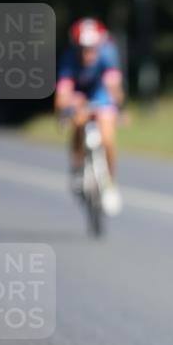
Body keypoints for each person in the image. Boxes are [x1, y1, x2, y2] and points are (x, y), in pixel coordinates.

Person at [55, 18, 125, 215]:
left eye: (93, 48)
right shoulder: (69, 59)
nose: (88, 54)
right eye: (84, 49)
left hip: (100, 94)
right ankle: (77, 168)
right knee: (78, 121)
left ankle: (110, 183)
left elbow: (114, 86)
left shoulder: (108, 54)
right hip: (78, 95)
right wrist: (65, 109)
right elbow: (62, 93)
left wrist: (118, 107)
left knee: (108, 138)